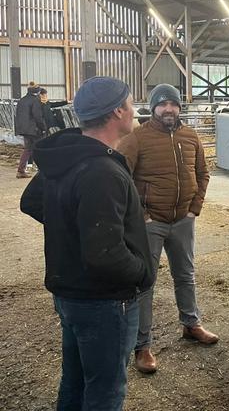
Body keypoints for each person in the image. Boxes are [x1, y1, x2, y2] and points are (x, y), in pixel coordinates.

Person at [20, 76, 155, 411]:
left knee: (76, 380)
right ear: (117, 112)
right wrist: (142, 271)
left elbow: (32, 201)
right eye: (129, 103)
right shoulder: (101, 170)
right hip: (103, 300)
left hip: (70, 292)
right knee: (106, 390)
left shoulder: (69, 154)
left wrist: (72, 229)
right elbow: (105, 254)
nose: (135, 110)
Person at [118, 83, 215, 375]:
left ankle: (191, 324)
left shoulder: (190, 135)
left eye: (173, 104)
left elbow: (203, 173)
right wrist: (143, 215)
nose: (169, 109)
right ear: (153, 108)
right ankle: (142, 345)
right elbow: (122, 178)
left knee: (185, 274)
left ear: (179, 108)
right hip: (151, 224)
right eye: (162, 105)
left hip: (183, 220)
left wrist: (194, 208)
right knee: (145, 282)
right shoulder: (137, 137)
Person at [14, 81, 46, 178]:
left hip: (24, 129)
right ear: (36, 91)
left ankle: (21, 170)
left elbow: (18, 115)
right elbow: (37, 116)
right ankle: (44, 170)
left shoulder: (22, 100)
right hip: (34, 129)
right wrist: (43, 127)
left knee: (28, 149)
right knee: (40, 148)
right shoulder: (35, 100)